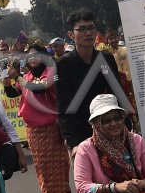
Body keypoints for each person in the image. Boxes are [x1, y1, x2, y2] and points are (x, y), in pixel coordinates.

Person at [55, 8, 129, 150]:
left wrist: (127, 127)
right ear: (71, 34)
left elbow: (118, 95)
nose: (88, 33)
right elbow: (63, 107)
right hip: (80, 134)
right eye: (82, 29)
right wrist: (73, 143)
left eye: (91, 28)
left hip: (110, 129)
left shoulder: (106, 59)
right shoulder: (62, 65)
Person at [19, 43, 70, 193]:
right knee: (43, 167)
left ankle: (62, 189)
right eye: (29, 56)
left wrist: (18, 79)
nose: (32, 59)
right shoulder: (26, 76)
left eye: (35, 55)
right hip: (33, 129)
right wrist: (9, 81)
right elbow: (13, 93)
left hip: (51, 125)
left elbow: (40, 90)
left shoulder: (51, 72)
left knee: (60, 162)